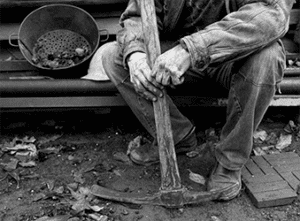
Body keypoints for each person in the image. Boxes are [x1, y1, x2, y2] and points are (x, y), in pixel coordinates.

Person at [88, 0, 294, 201]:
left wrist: (191, 50)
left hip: (231, 58)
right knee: (114, 56)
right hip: (176, 62)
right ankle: (177, 136)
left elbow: (270, 14)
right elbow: (137, 16)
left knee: (268, 56)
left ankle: (230, 162)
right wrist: (136, 53)